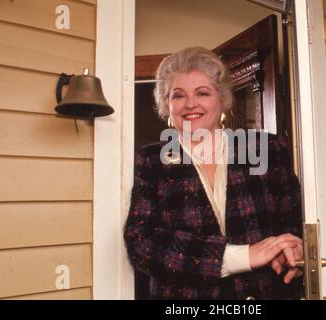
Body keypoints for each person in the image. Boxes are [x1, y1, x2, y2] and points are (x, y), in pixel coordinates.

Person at [124, 47, 304, 300]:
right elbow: (142, 244)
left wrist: (292, 253)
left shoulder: (266, 149)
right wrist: (243, 256)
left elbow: (295, 224)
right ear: (166, 105)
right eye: (178, 96)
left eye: (202, 93)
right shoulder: (151, 160)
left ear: (222, 99)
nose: (190, 104)